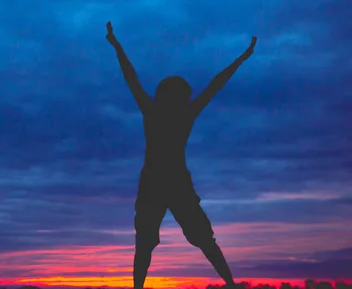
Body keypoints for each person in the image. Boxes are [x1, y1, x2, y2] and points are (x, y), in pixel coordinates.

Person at [105, 21, 256, 289]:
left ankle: (231, 284)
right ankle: (230, 284)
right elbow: (213, 85)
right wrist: (242, 58)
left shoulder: (160, 113)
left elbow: (133, 78)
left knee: (163, 243)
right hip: (162, 184)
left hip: (166, 184)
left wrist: (243, 58)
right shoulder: (174, 114)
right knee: (152, 243)